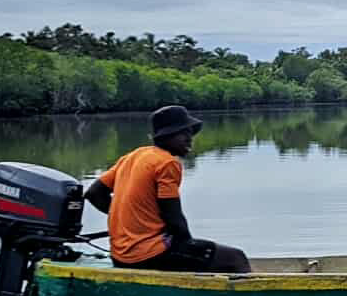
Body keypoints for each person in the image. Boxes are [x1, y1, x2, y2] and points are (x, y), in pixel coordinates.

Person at [85, 104, 252, 273]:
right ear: (166, 136)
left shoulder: (134, 155)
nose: (190, 138)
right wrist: (189, 248)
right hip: (149, 256)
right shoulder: (167, 163)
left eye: (190, 132)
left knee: (205, 255)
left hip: (120, 256)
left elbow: (94, 193)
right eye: (183, 133)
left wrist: (133, 221)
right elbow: (174, 218)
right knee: (235, 258)